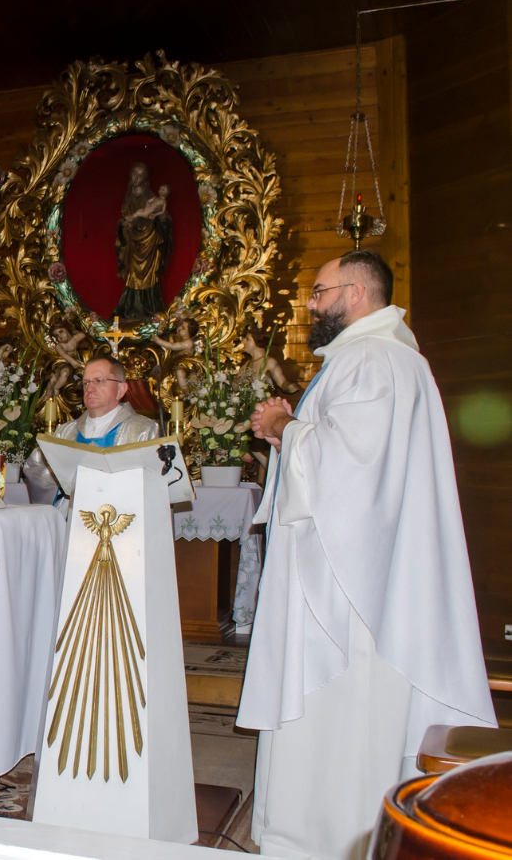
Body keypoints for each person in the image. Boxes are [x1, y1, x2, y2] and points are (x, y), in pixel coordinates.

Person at [239, 250, 495, 860]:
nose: (311, 305)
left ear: (356, 292)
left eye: (320, 292)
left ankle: (323, 833)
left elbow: (351, 468)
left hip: (349, 582)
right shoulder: (373, 359)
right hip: (354, 564)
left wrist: (283, 428)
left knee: (341, 704)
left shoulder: (374, 360)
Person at [23, 355, 159, 511]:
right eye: (86, 382)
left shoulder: (143, 430)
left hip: (123, 521)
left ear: (121, 389)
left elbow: (153, 487)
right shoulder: (66, 432)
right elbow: (36, 468)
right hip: (73, 518)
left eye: (99, 381)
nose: (89, 388)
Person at [114, 164, 172, 320]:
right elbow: (125, 217)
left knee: (149, 274)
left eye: (140, 175)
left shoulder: (152, 198)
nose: (136, 178)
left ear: (145, 179)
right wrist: (124, 224)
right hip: (132, 241)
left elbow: (163, 221)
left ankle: (149, 308)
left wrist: (162, 217)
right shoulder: (128, 197)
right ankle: (130, 306)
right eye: (133, 174)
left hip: (149, 240)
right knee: (132, 272)